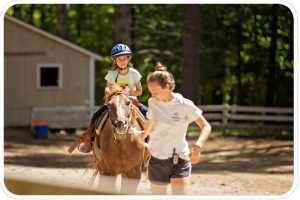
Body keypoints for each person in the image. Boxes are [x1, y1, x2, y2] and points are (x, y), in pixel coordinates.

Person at [141, 63, 211, 195]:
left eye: (155, 91)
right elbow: (150, 122)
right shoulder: (152, 102)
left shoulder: (184, 104)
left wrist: (197, 147)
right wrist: (141, 137)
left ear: (167, 87)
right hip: (157, 159)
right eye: (151, 91)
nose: (152, 95)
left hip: (180, 159)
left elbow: (206, 126)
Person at [78, 43, 147, 153]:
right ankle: (89, 140)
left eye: (125, 58)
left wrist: (128, 93)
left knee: (147, 113)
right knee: (96, 114)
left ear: (129, 59)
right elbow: (107, 88)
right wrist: (111, 93)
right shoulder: (112, 73)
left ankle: (151, 141)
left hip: (130, 102)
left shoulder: (134, 73)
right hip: (115, 102)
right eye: (119, 59)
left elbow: (139, 91)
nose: (123, 61)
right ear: (114, 60)